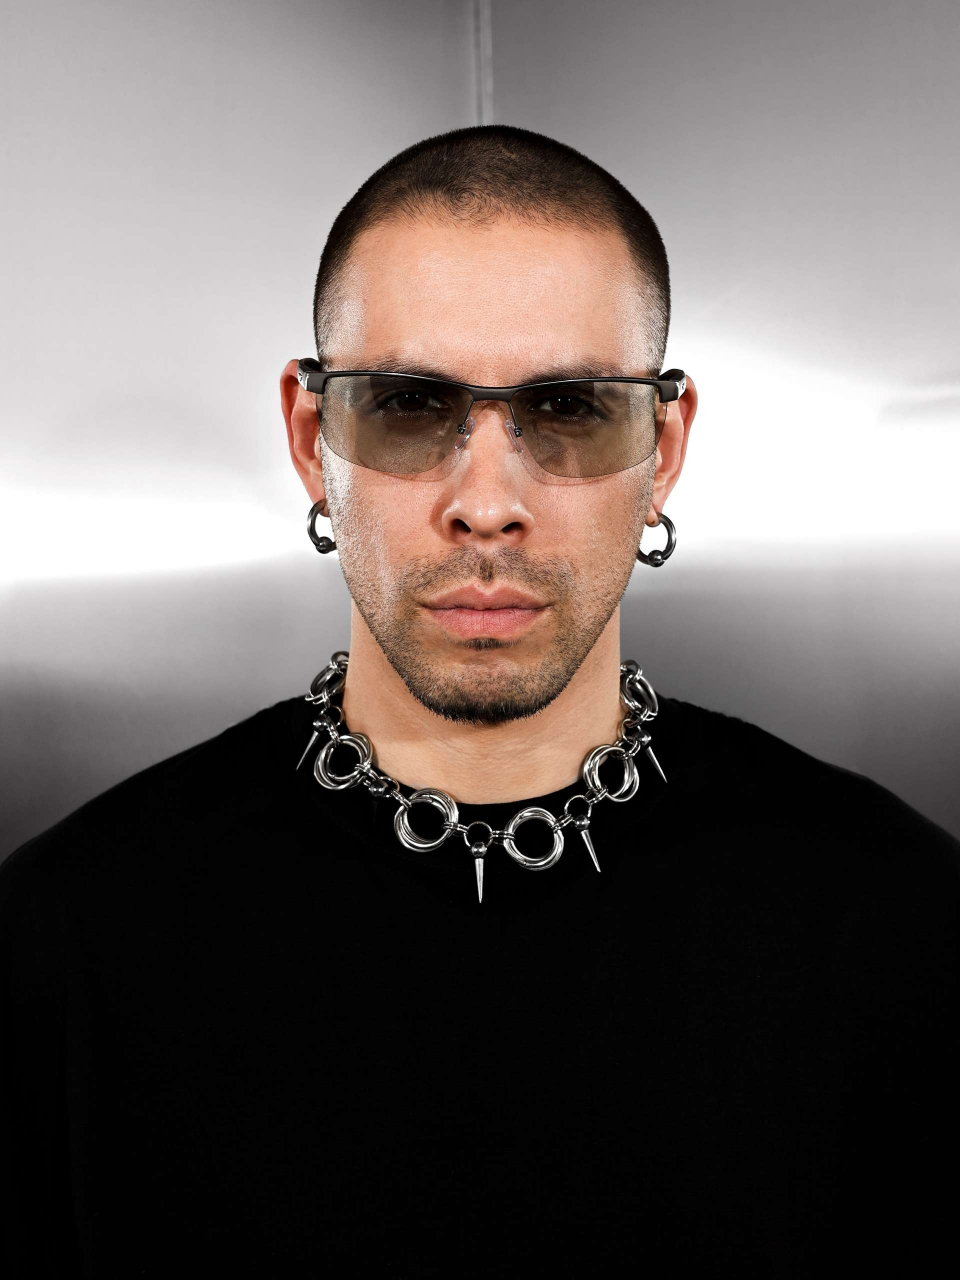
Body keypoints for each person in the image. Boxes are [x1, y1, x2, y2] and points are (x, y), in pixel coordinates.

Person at [1, 125, 957, 1277]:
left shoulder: (905, 926)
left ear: (663, 445)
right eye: (410, 403)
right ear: (312, 437)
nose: (488, 502)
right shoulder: (63, 944)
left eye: (569, 407)